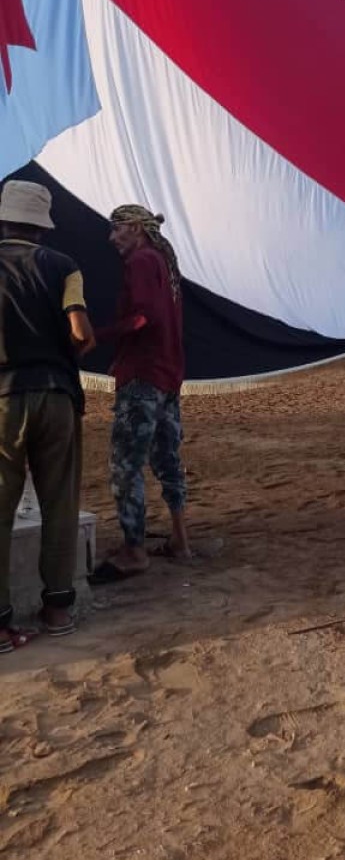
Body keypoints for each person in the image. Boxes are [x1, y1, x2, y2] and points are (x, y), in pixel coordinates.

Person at [0, 180, 96, 651]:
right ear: (43, 225)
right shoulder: (63, 266)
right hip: (58, 395)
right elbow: (79, 329)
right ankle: (58, 608)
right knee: (59, 502)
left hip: (2, 398)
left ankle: (1, 625)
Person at [91, 206, 191, 582]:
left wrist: (95, 338)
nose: (111, 238)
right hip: (168, 374)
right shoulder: (166, 265)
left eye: (116, 229)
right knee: (167, 457)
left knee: (126, 465)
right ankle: (180, 539)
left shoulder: (140, 262)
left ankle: (134, 549)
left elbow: (142, 316)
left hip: (141, 375)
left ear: (133, 228)